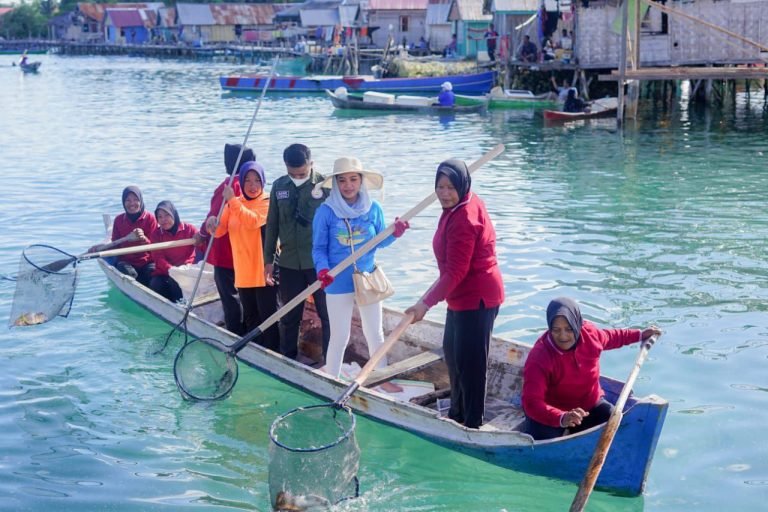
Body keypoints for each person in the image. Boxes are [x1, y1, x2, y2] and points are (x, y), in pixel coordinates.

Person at [405, 159, 504, 429]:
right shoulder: (460, 204)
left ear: (463, 185)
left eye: (451, 187)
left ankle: (472, 424)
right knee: (453, 354)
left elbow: (456, 271)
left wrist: (424, 303)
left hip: (477, 298)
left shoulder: (465, 218)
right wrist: (429, 299)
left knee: (471, 365)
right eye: (440, 186)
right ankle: (457, 414)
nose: (444, 193)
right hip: (459, 297)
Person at [311, 157, 409, 381]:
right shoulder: (326, 212)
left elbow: (379, 242)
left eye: (353, 179)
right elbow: (318, 249)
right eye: (342, 180)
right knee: (340, 336)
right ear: (335, 183)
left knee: (375, 332)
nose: (348, 185)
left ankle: (380, 380)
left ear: (361, 181)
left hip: (367, 278)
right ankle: (332, 380)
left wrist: (395, 233)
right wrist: (323, 270)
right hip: (336, 280)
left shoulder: (373, 208)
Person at [521, 297, 662, 440]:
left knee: (618, 424)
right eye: (556, 330)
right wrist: (562, 418)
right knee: (540, 444)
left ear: (577, 324)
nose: (563, 336)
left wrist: (639, 335)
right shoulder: (539, 357)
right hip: (553, 413)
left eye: (569, 329)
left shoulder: (590, 335)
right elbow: (531, 403)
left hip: (588, 406)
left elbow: (611, 337)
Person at [263, 144, 331, 362]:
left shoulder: (327, 186)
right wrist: (268, 261)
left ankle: (330, 360)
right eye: (292, 174)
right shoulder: (279, 186)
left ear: (311, 164)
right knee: (290, 315)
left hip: (319, 263)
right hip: (289, 262)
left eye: (302, 174)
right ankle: (288, 358)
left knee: (327, 313)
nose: (297, 177)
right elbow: (272, 225)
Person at [210, 161, 279, 351]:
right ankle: (255, 352)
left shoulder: (268, 202)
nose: (252, 185)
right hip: (243, 272)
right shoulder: (235, 202)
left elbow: (253, 221)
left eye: (257, 180)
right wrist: (212, 223)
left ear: (263, 181)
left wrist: (232, 201)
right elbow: (219, 231)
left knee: (269, 318)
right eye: (247, 180)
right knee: (251, 319)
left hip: (264, 271)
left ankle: (275, 353)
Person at [198, 143, 254, 335]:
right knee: (247, 296)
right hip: (247, 252)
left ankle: (235, 334)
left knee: (230, 297)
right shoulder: (254, 185)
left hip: (226, 253)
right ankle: (251, 331)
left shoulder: (227, 187)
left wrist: (202, 234)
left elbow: (213, 218)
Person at [92, 186, 157, 287]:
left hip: (146, 261)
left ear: (141, 201)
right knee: (129, 274)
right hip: (126, 261)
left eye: (136, 200)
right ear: (123, 202)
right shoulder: (119, 220)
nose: (132, 204)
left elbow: (156, 246)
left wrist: (144, 239)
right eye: (128, 200)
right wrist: (99, 247)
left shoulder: (150, 218)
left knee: (153, 274)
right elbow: (115, 243)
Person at [149, 201, 200, 303]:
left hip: (187, 270)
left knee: (176, 280)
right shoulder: (156, 234)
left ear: (174, 214)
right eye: (160, 217)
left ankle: (182, 305)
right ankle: (171, 305)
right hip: (165, 272)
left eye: (167, 215)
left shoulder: (189, 229)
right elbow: (158, 258)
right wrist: (172, 270)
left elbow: (204, 246)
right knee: (155, 284)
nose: (163, 220)